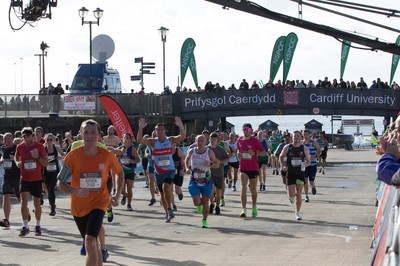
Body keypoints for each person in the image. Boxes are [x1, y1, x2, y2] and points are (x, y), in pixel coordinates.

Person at [57, 119, 124, 266]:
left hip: (99, 202)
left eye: (93, 132)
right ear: (81, 134)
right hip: (79, 207)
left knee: (90, 240)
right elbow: (60, 183)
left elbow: (119, 172)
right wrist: (75, 190)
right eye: (86, 132)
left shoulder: (106, 155)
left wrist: (117, 194)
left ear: (99, 135)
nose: (89, 136)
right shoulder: (73, 156)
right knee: (92, 246)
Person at [137, 117, 186, 222]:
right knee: (162, 194)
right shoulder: (153, 142)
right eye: (158, 130)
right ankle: (167, 212)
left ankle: (169, 208)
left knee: (166, 187)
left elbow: (182, 137)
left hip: (170, 169)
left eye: (161, 129)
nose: (160, 131)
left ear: (164, 131)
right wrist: (140, 128)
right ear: (155, 131)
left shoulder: (170, 140)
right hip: (158, 171)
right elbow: (140, 140)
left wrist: (181, 126)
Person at [15, 127, 49, 236]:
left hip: (36, 179)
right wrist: (17, 163)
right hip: (24, 178)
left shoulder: (39, 147)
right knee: (23, 201)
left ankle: (38, 225)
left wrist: (37, 157)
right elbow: (16, 158)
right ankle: (25, 226)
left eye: (28, 136)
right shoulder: (20, 147)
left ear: (32, 136)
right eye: (24, 136)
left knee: (36, 203)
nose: (26, 138)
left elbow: (45, 163)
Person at [185, 134, 219, 228]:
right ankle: (198, 205)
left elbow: (217, 163)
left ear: (205, 142)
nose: (200, 143)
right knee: (196, 202)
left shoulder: (209, 152)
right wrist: (187, 168)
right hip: (195, 180)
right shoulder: (192, 151)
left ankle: (204, 220)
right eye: (198, 141)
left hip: (206, 180)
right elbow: (186, 159)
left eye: (201, 141)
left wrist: (210, 164)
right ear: (195, 142)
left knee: (205, 201)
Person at [279, 131, 311, 220]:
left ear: (301, 138)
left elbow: (309, 161)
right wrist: (283, 165)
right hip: (291, 173)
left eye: (298, 136)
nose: (296, 137)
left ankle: (297, 213)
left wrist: (305, 164)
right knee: (292, 196)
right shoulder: (287, 147)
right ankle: (291, 197)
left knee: (299, 194)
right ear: (291, 138)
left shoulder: (305, 149)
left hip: (300, 173)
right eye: (294, 136)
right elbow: (281, 156)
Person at [237, 123, 266, 218]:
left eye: (248, 129)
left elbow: (263, 153)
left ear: (251, 130)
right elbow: (239, 150)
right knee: (243, 187)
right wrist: (239, 154)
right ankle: (244, 209)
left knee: (253, 189)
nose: (246, 131)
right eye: (244, 129)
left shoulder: (255, 141)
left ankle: (254, 207)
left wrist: (254, 153)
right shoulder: (239, 140)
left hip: (253, 167)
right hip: (243, 167)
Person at [0, 133, 21, 227]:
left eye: (8, 141)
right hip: (7, 177)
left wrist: (15, 159)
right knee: (6, 197)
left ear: (12, 139)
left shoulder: (18, 148)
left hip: (17, 177)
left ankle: (26, 211)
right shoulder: (3, 148)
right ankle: (6, 219)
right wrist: (1, 160)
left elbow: (22, 160)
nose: (6, 142)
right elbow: (2, 155)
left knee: (20, 198)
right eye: (4, 140)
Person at [115, 133, 140, 211]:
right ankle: (124, 195)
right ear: (122, 139)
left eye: (127, 138)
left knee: (129, 188)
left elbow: (138, 160)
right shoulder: (119, 149)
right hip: (121, 172)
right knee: (121, 190)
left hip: (130, 171)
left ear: (130, 140)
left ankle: (129, 204)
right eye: (124, 137)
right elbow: (115, 160)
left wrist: (132, 161)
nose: (126, 139)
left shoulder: (132, 149)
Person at [208, 132, 229, 215]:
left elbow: (227, 158)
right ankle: (212, 204)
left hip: (219, 172)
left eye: (214, 139)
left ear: (217, 140)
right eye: (211, 139)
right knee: (211, 189)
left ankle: (217, 206)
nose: (212, 140)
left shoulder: (220, 149)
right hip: (209, 172)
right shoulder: (206, 149)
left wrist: (220, 162)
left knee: (218, 191)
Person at [43, 133, 64, 216]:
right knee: (48, 189)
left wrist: (60, 158)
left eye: (51, 140)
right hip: (46, 171)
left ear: (54, 141)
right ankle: (51, 202)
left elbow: (63, 154)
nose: (49, 141)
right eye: (47, 140)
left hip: (54, 171)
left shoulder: (56, 148)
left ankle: (53, 207)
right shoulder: (43, 148)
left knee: (51, 188)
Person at [302, 129, 321, 202]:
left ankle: (313, 187)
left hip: (312, 164)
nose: (305, 136)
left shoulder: (314, 142)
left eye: (306, 134)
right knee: (305, 181)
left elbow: (319, 151)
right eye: (304, 134)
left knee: (311, 181)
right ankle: (306, 196)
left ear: (309, 135)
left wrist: (315, 156)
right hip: (305, 165)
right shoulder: (302, 143)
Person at [171, 144, 185, 211]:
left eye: (172, 144)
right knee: (169, 190)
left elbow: (184, 158)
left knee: (177, 191)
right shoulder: (166, 151)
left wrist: (182, 169)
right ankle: (173, 205)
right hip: (169, 172)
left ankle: (179, 192)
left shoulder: (177, 150)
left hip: (178, 171)